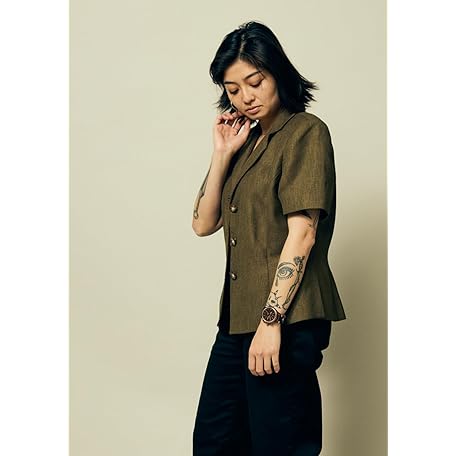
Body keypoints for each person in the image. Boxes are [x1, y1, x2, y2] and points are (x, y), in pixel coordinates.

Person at [191, 20, 347, 456]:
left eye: (255, 82)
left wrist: (271, 322)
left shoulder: (305, 132)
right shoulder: (245, 143)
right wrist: (222, 153)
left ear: (277, 72)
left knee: (279, 446)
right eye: (233, 89)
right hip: (236, 320)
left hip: (285, 320)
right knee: (214, 443)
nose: (245, 96)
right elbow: (203, 223)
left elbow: (303, 233)